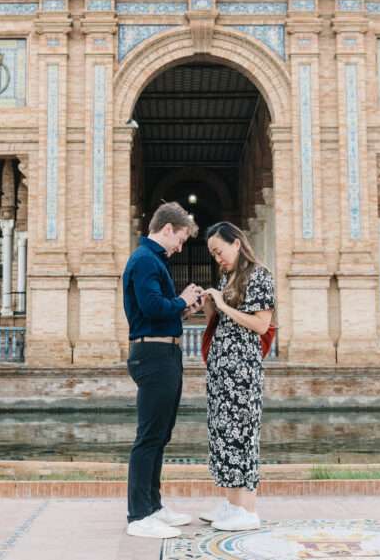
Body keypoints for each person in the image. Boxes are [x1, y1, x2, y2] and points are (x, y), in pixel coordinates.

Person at [122, 202, 204, 539]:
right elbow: (151, 307)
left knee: (161, 435)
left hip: (165, 352)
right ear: (167, 229)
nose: (181, 247)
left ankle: (153, 506)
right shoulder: (144, 260)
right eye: (181, 240)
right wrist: (182, 300)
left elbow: (160, 312)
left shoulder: (154, 261)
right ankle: (139, 515)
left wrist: (184, 311)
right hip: (152, 354)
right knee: (149, 436)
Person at [200, 221, 275, 532]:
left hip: (242, 370)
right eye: (214, 254)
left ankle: (248, 509)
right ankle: (232, 503)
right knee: (223, 434)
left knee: (241, 434)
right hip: (222, 368)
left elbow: (260, 325)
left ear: (236, 243)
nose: (218, 258)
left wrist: (222, 305)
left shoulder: (260, 276)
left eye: (220, 251)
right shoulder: (228, 276)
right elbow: (219, 322)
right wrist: (209, 306)